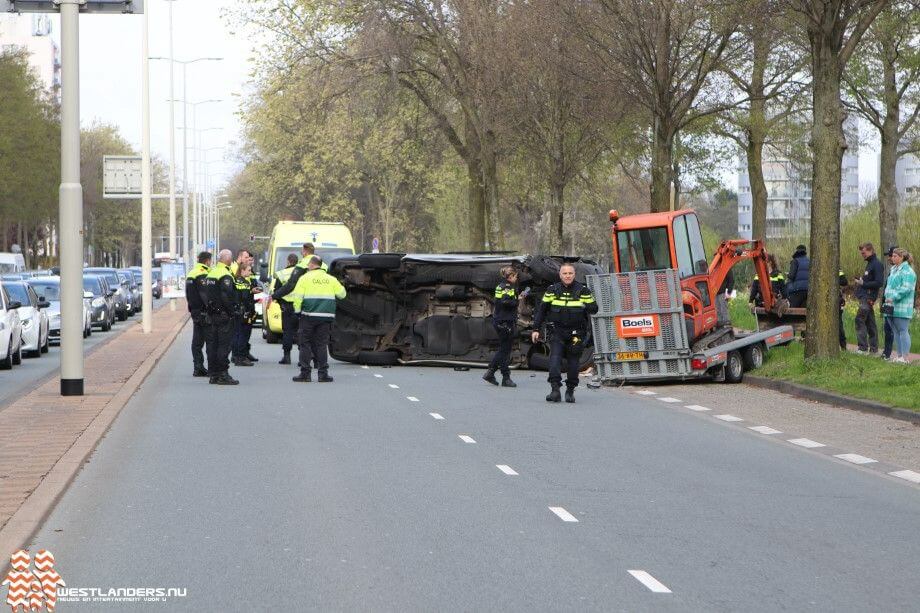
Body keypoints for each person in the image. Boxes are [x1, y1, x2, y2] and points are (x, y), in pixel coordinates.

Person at [531, 263, 597, 403]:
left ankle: (570, 391)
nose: (567, 276)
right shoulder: (552, 290)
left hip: (576, 333)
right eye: (564, 273)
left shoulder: (583, 290)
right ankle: (555, 390)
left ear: (574, 274)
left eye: (570, 273)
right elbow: (541, 311)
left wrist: (587, 302)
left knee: (573, 363)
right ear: (560, 275)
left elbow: (594, 309)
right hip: (557, 332)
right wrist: (536, 329)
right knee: (554, 360)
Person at [291, 256, 346, 382]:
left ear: (311, 265)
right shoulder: (331, 279)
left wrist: (298, 312)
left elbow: (297, 297)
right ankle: (323, 374)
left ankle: (305, 374)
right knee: (321, 344)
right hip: (326, 317)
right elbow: (342, 295)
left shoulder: (304, 278)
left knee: (305, 344)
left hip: (308, 316)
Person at [483, 266, 527, 388]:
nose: (516, 278)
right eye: (515, 276)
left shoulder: (500, 286)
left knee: (504, 349)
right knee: (504, 350)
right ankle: (504, 377)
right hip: (505, 321)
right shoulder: (508, 287)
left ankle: (491, 373)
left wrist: (515, 298)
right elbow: (506, 302)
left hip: (500, 320)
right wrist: (518, 300)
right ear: (511, 276)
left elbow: (502, 300)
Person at [205, 249, 240, 385]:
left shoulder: (211, 273)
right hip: (224, 316)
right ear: (228, 260)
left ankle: (213, 374)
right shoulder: (225, 274)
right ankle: (223, 374)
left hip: (212, 315)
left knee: (213, 345)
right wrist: (232, 311)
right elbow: (227, 296)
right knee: (224, 346)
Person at [883, 248, 916, 364]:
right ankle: (899, 356)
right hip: (890, 305)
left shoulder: (908, 271)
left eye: (895, 256)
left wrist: (893, 297)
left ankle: (905, 358)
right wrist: (887, 298)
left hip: (902, 306)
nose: (892, 258)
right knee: (895, 331)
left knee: (903, 330)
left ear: (902, 257)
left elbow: (906, 289)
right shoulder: (894, 269)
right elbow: (889, 286)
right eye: (892, 256)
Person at [853, 242, 884, 354]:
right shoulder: (870, 263)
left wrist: (863, 283)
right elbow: (869, 279)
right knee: (870, 323)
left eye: (864, 252)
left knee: (859, 319)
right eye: (861, 253)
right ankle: (874, 349)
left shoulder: (877, 264)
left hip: (868, 297)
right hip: (865, 297)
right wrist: (862, 280)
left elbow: (879, 282)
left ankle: (862, 348)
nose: (863, 255)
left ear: (870, 250)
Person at [185, 251, 212, 377]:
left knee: (197, 342)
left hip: (195, 312)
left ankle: (198, 367)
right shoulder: (203, 273)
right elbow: (205, 295)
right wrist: (210, 309)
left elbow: (188, 294)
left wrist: (192, 309)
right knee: (210, 341)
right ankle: (212, 369)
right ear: (207, 261)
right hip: (205, 312)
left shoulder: (191, 273)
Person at [273, 253, 300, 364]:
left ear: (288, 261)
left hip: (286, 307)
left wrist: (280, 304)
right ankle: (303, 357)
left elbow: (277, 291)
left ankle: (287, 357)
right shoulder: (302, 273)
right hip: (300, 306)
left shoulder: (282, 274)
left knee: (287, 332)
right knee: (300, 332)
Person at [231, 263, 259, 367]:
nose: (250, 272)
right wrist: (252, 292)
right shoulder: (243, 282)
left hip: (238, 312)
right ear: (242, 270)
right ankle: (240, 358)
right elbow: (245, 298)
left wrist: (251, 291)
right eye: (248, 270)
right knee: (242, 336)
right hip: (244, 313)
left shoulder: (235, 280)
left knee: (237, 335)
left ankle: (236, 356)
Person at [881, 246, 897, 360]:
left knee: (898, 330)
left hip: (896, 304)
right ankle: (886, 353)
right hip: (888, 303)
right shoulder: (892, 270)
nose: (889, 258)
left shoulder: (902, 271)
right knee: (887, 329)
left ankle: (902, 356)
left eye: (891, 256)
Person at [838, 269, 848, 350]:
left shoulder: (838, 269)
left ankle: (843, 345)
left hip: (837, 300)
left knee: (838, 323)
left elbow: (844, 281)